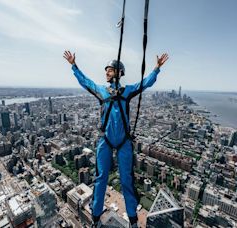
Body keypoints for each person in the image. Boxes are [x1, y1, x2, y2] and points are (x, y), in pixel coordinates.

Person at [63, 50, 169, 228]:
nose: (106, 72)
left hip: (123, 142)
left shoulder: (127, 91)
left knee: (127, 180)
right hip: (106, 140)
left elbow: (145, 83)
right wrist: (74, 66)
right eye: (106, 70)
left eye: (110, 70)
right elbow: (86, 82)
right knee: (101, 178)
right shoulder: (102, 91)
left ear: (119, 73)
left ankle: (133, 221)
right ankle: (96, 218)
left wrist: (156, 68)